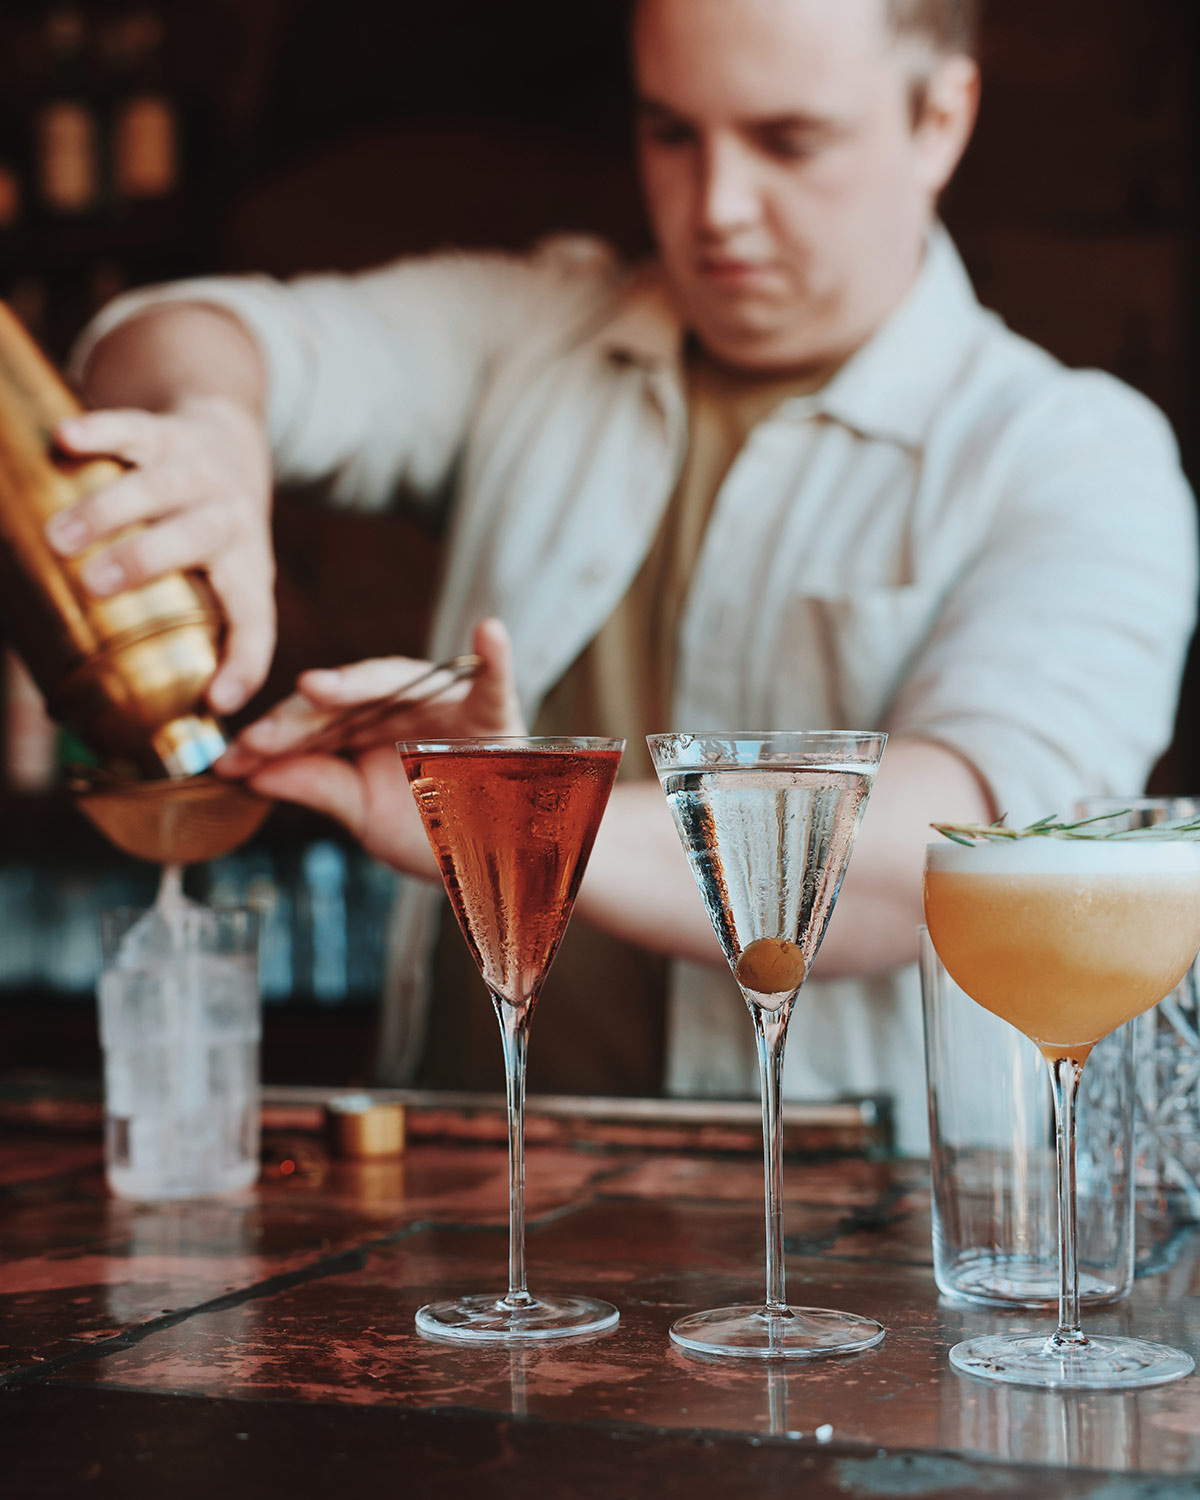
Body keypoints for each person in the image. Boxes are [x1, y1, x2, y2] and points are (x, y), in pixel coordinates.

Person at [50, 0, 1196, 1150]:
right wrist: (213, 429)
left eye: (788, 141)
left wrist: (514, 814)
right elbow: (169, 329)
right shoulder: (533, 331)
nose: (717, 209)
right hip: (458, 1193)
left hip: (840, 1249)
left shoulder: (1074, 453)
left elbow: (948, 862)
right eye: (670, 133)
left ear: (941, 117)